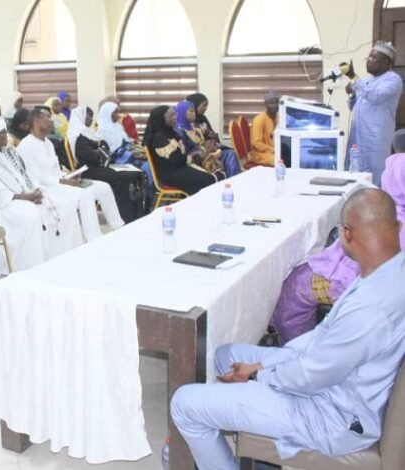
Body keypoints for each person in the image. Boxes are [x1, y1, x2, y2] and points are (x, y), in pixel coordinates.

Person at [171, 188, 405, 470]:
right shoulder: (387, 271)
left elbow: (312, 376)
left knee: (184, 404)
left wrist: (261, 375)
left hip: (329, 414)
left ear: (347, 234)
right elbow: (321, 337)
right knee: (227, 355)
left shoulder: (370, 308)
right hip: (334, 388)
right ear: (398, 226)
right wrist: (264, 365)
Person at [271, 140, 405, 343]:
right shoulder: (395, 213)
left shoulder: (392, 220)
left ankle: (297, 347)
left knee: (294, 285)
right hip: (383, 285)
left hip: (363, 283)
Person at [0, 117, 82, 272]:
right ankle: (31, 266)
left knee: (64, 205)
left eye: (5, 132)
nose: (5, 137)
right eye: (1, 134)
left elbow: (27, 174)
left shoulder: (9, 151)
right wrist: (25, 197)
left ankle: (61, 255)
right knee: (30, 214)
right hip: (1, 207)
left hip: (24, 196)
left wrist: (35, 191)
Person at [18, 106, 110, 241]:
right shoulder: (26, 145)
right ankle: (94, 239)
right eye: (47, 118)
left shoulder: (48, 143)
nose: (51, 121)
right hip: (44, 188)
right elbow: (35, 177)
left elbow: (54, 170)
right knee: (84, 195)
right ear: (37, 121)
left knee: (101, 188)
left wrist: (68, 175)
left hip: (58, 183)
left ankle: (111, 229)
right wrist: (62, 181)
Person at [68, 105, 144, 223]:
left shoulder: (87, 132)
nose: (91, 119)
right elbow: (92, 155)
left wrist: (99, 150)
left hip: (98, 167)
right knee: (121, 178)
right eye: (89, 116)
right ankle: (126, 218)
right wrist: (99, 150)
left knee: (132, 174)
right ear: (82, 116)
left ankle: (133, 214)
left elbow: (104, 147)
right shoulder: (77, 135)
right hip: (88, 171)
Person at [346, 41, 403, 186]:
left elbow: (375, 96)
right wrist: (352, 95)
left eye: (373, 58)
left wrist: (354, 77)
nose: (368, 62)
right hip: (358, 138)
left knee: (374, 180)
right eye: (368, 58)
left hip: (375, 140)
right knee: (355, 176)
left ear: (386, 61)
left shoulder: (393, 80)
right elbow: (356, 106)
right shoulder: (369, 81)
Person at [142, 106, 221, 195]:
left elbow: (180, 156)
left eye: (175, 114)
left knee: (217, 175)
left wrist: (197, 154)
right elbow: (175, 160)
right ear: (161, 119)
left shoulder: (170, 132)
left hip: (180, 168)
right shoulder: (158, 138)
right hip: (170, 175)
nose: (175, 117)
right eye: (171, 116)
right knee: (209, 180)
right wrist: (193, 156)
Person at [174, 100, 241, 177]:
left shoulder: (195, 126)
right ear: (182, 112)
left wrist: (211, 142)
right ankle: (232, 183)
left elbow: (204, 141)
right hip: (197, 160)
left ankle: (232, 183)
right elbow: (186, 151)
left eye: (194, 111)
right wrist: (204, 149)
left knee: (230, 154)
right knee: (229, 156)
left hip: (208, 154)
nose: (194, 114)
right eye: (191, 111)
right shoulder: (179, 131)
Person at [248, 90, 280, 167]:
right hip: (260, 154)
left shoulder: (279, 117)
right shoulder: (259, 119)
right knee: (280, 161)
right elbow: (256, 143)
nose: (275, 105)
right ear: (265, 104)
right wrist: (273, 150)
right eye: (271, 103)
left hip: (275, 151)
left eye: (276, 103)